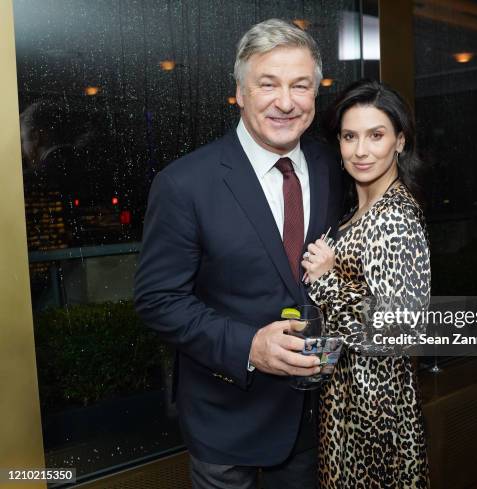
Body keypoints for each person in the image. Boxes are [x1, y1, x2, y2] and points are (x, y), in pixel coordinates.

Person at [134, 19, 342, 489]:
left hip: (312, 420)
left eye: (300, 86)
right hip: (226, 420)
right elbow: (158, 300)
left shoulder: (331, 165)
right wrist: (248, 347)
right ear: (240, 92)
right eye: (268, 84)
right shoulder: (184, 183)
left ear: (315, 93)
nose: (286, 102)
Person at [301, 80, 431, 489]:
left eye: (376, 135)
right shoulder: (356, 212)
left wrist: (326, 283)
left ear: (399, 142)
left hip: (376, 414)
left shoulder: (393, 218)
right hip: (348, 401)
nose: (361, 150)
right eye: (349, 136)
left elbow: (402, 333)